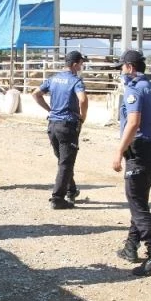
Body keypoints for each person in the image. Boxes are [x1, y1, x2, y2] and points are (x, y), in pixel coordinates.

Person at [112, 49, 151, 277]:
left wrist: (119, 151)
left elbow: (133, 122)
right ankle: (131, 246)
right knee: (140, 202)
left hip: (138, 152)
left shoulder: (134, 89)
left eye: (122, 68)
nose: (121, 72)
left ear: (129, 67)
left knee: (137, 205)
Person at [32, 50, 89, 209]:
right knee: (66, 163)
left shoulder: (53, 79)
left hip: (53, 125)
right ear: (75, 64)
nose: (81, 66)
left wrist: (49, 110)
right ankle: (57, 198)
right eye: (81, 63)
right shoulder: (75, 81)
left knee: (63, 160)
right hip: (67, 125)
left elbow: (36, 94)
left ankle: (71, 190)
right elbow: (83, 99)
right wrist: (83, 117)